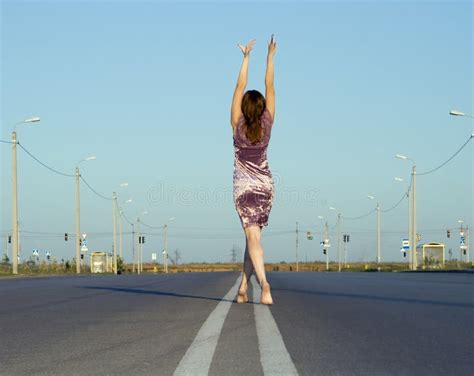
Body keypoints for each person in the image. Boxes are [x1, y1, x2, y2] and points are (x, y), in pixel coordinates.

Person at [231, 35, 277, 305]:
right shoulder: (268, 124)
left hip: (243, 188)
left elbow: (240, 87)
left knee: (252, 236)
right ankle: (243, 288)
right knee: (253, 236)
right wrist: (270, 58)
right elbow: (269, 85)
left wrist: (246, 58)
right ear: (261, 110)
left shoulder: (236, 124)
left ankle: (265, 285)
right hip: (265, 186)